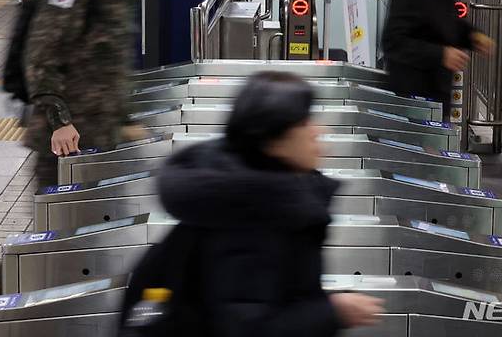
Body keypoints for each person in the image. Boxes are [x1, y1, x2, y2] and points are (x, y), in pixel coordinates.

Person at [121, 72, 384, 337]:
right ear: (272, 137)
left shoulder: (264, 198)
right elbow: (246, 327)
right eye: (305, 121)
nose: (318, 131)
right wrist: (333, 312)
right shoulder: (249, 217)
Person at [23, 0, 171, 188]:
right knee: (61, 223)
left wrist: (125, 120)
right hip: (65, 142)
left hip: (102, 137)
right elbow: (41, 59)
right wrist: (60, 122)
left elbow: (111, 68)